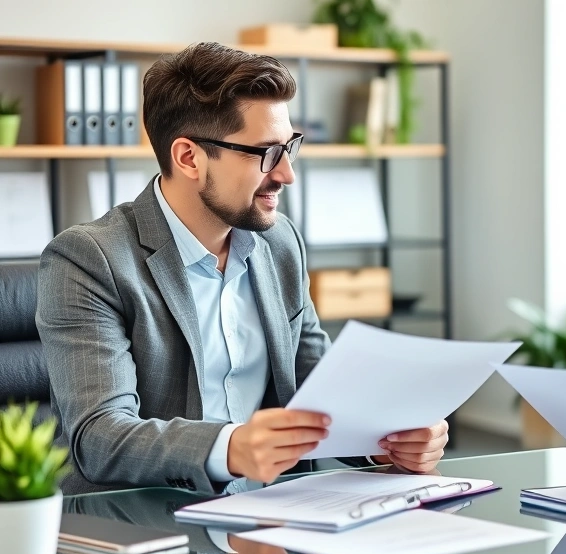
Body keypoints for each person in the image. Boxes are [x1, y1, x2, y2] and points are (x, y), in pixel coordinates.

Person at [37, 42, 448, 495]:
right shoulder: (89, 259)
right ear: (189, 157)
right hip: (154, 529)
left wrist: (388, 438)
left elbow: (318, 386)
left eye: (290, 147)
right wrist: (231, 447)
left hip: (279, 522)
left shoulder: (280, 241)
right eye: (266, 153)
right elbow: (99, 438)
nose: (287, 173)